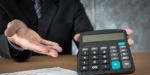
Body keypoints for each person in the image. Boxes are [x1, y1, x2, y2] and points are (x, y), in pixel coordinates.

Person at [0, 0, 134, 62]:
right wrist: (14, 41)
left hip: (63, 71)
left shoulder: (71, 3)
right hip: (16, 72)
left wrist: (102, 45)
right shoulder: (4, 3)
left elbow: (84, 37)